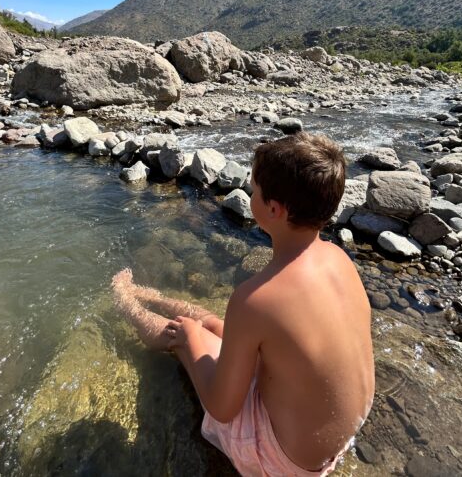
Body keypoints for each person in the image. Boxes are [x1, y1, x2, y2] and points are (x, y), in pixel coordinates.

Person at [112, 132, 375, 476]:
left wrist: (191, 340)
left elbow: (222, 408)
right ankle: (149, 297)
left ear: (273, 209)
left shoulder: (256, 299)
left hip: (285, 462)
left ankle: (126, 303)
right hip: (332, 434)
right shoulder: (338, 259)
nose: (250, 194)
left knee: (187, 333)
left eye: (254, 189)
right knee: (215, 325)